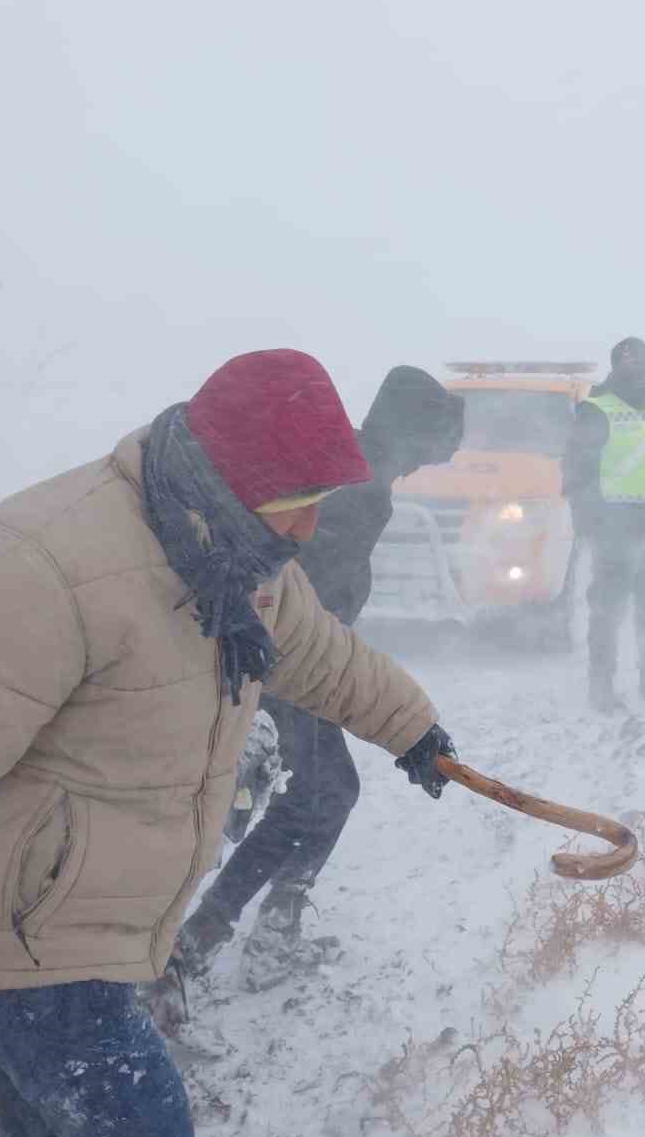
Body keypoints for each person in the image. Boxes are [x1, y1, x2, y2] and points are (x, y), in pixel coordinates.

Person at [0, 349, 456, 1137]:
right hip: (15, 932)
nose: (313, 524)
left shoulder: (232, 549)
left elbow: (319, 654)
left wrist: (412, 727)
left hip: (79, 916)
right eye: (300, 498)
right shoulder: (44, 564)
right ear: (240, 475)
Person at [178, 366, 464, 990]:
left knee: (315, 795)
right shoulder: (360, 487)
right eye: (426, 451)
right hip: (283, 664)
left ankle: (235, 933)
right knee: (318, 795)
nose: (422, 468)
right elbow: (301, 590)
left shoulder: (361, 468)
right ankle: (211, 940)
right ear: (409, 435)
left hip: (285, 660)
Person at [562, 337, 645, 712]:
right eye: (629, 362)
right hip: (613, 526)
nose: (637, 368)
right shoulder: (596, 408)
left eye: (644, 361)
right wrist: (589, 520)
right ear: (616, 365)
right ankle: (600, 688)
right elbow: (575, 470)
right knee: (607, 607)